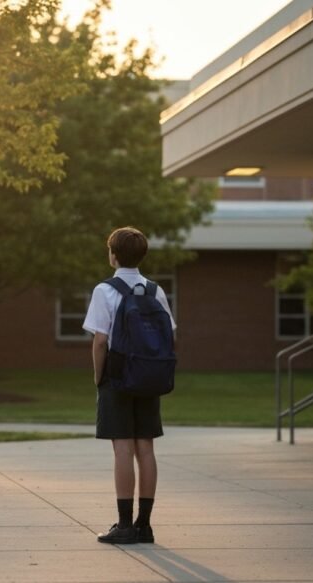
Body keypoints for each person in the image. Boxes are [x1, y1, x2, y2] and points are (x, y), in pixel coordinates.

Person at [82, 226, 175, 545]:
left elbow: (100, 340)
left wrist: (99, 377)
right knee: (145, 448)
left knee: (122, 447)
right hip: (149, 376)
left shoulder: (104, 290)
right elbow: (170, 335)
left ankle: (124, 525)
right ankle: (144, 525)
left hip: (118, 377)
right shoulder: (155, 290)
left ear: (113, 254)